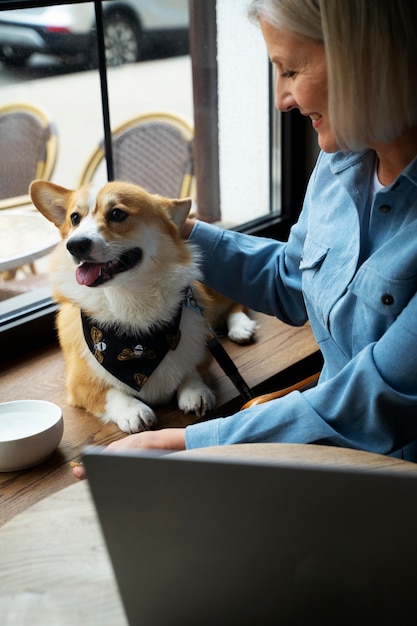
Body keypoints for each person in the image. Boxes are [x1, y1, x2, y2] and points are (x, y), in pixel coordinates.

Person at [73, 0, 417, 480]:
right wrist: (173, 230)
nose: (282, 98)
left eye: (291, 70)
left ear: (368, 59)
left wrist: (188, 442)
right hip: (332, 455)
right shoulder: (343, 160)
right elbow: (291, 282)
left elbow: (379, 398)